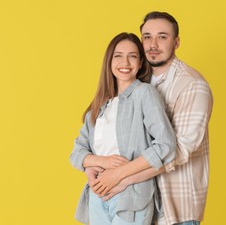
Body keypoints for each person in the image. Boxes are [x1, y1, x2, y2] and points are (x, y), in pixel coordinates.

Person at [94, 12, 213, 225]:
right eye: (147, 37)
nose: (153, 44)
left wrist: (122, 177)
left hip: (175, 211)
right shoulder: (136, 82)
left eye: (162, 37)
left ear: (176, 42)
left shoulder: (192, 85)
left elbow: (177, 151)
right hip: (139, 206)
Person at [69, 32, 176, 224]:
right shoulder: (100, 105)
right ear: (109, 61)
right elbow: (77, 153)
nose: (125, 62)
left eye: (132, 56)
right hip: (98, 195)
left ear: (141, 62)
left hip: (131, 196)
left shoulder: (145, 94)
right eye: (118, 56)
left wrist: (119, 173)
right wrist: (101, 162)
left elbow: (165, 145)